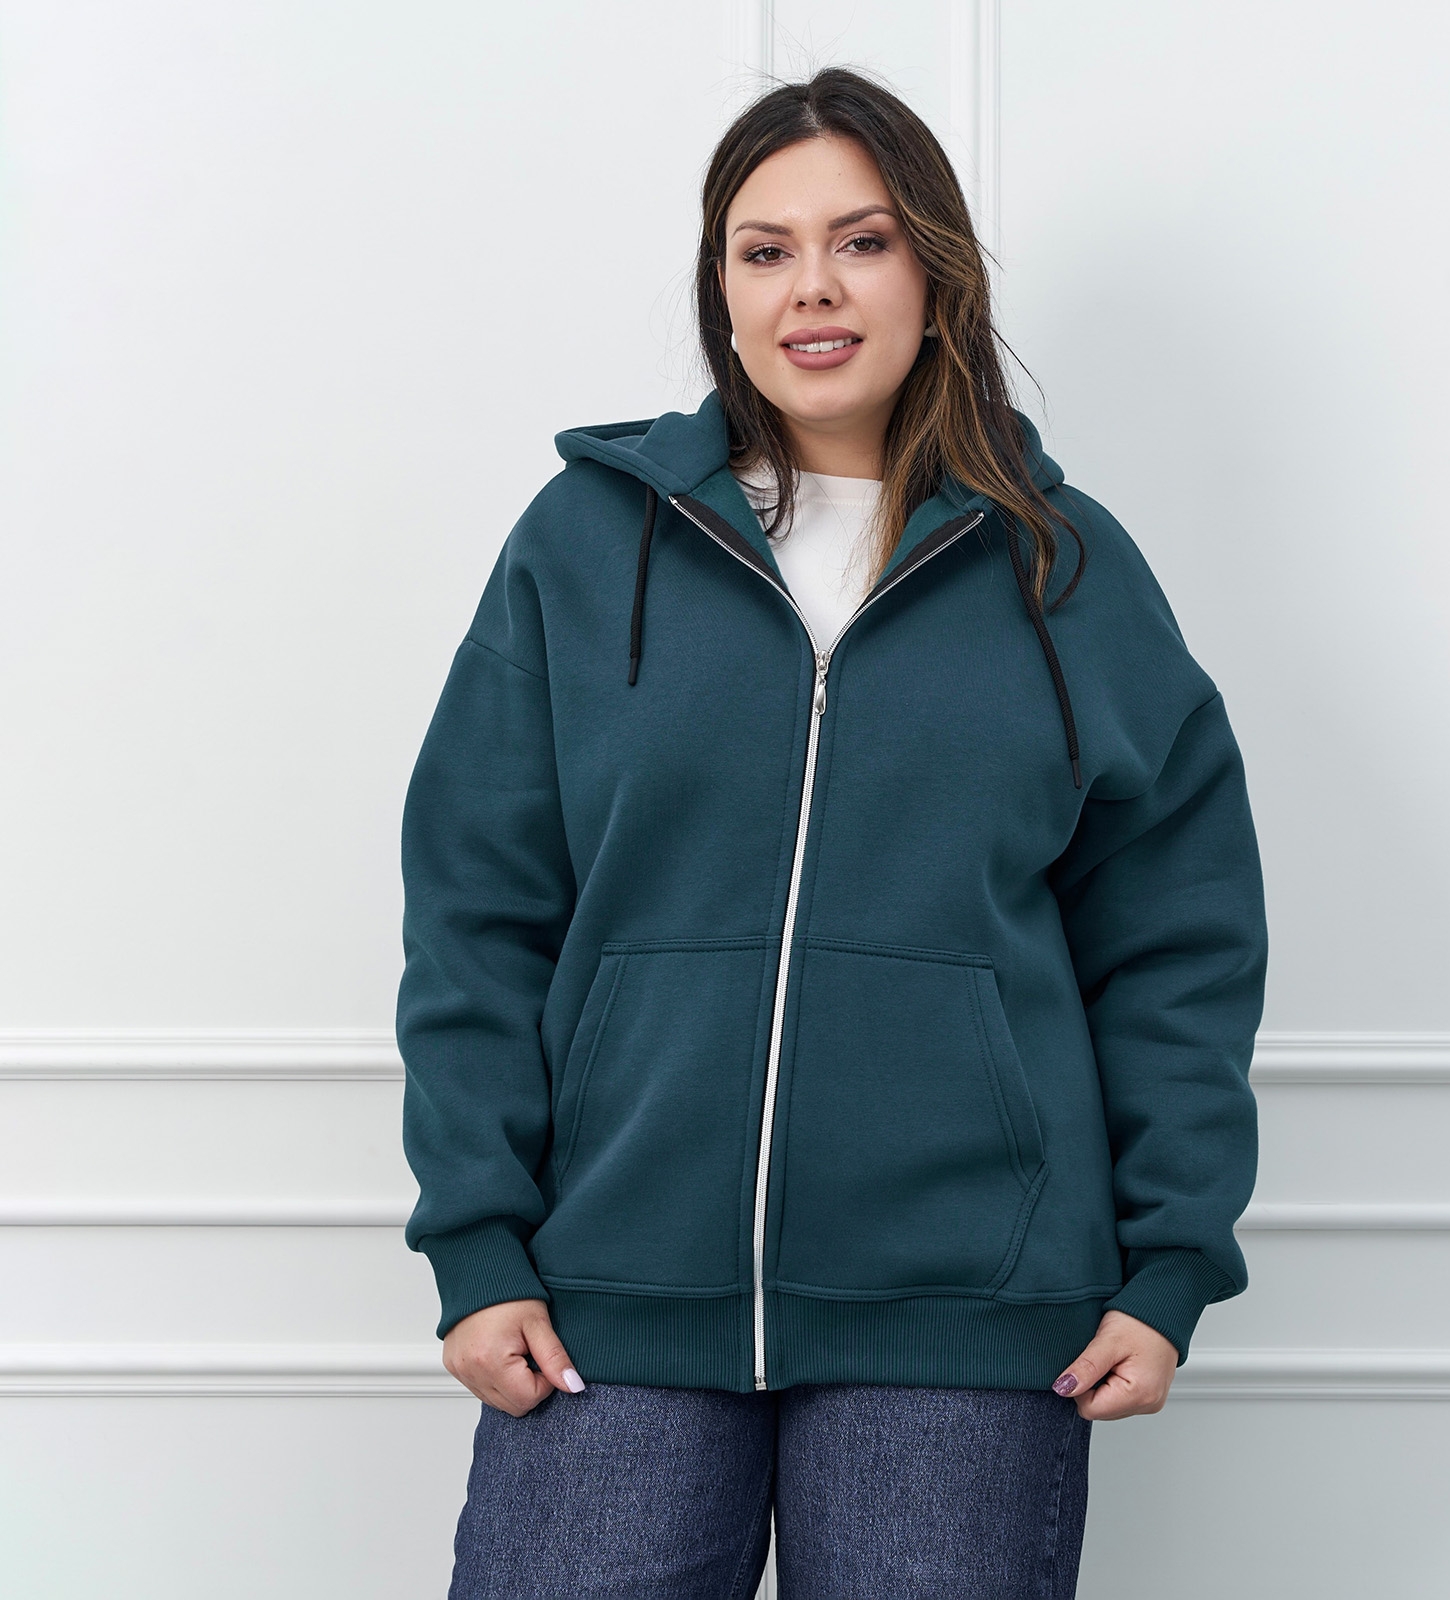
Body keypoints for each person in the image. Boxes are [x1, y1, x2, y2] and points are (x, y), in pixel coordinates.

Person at [397, 66, 1267, 1600]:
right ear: (722, 291)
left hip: (966, 1318)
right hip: (608, 1293)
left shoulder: (1065, 573)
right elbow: (478, 913)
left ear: (935, 278)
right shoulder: (585, 548)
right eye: (766, 249)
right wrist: (476, 1243)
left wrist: (1171, 1261)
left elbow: (1177, 945)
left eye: (861, 242)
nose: (813, 286)